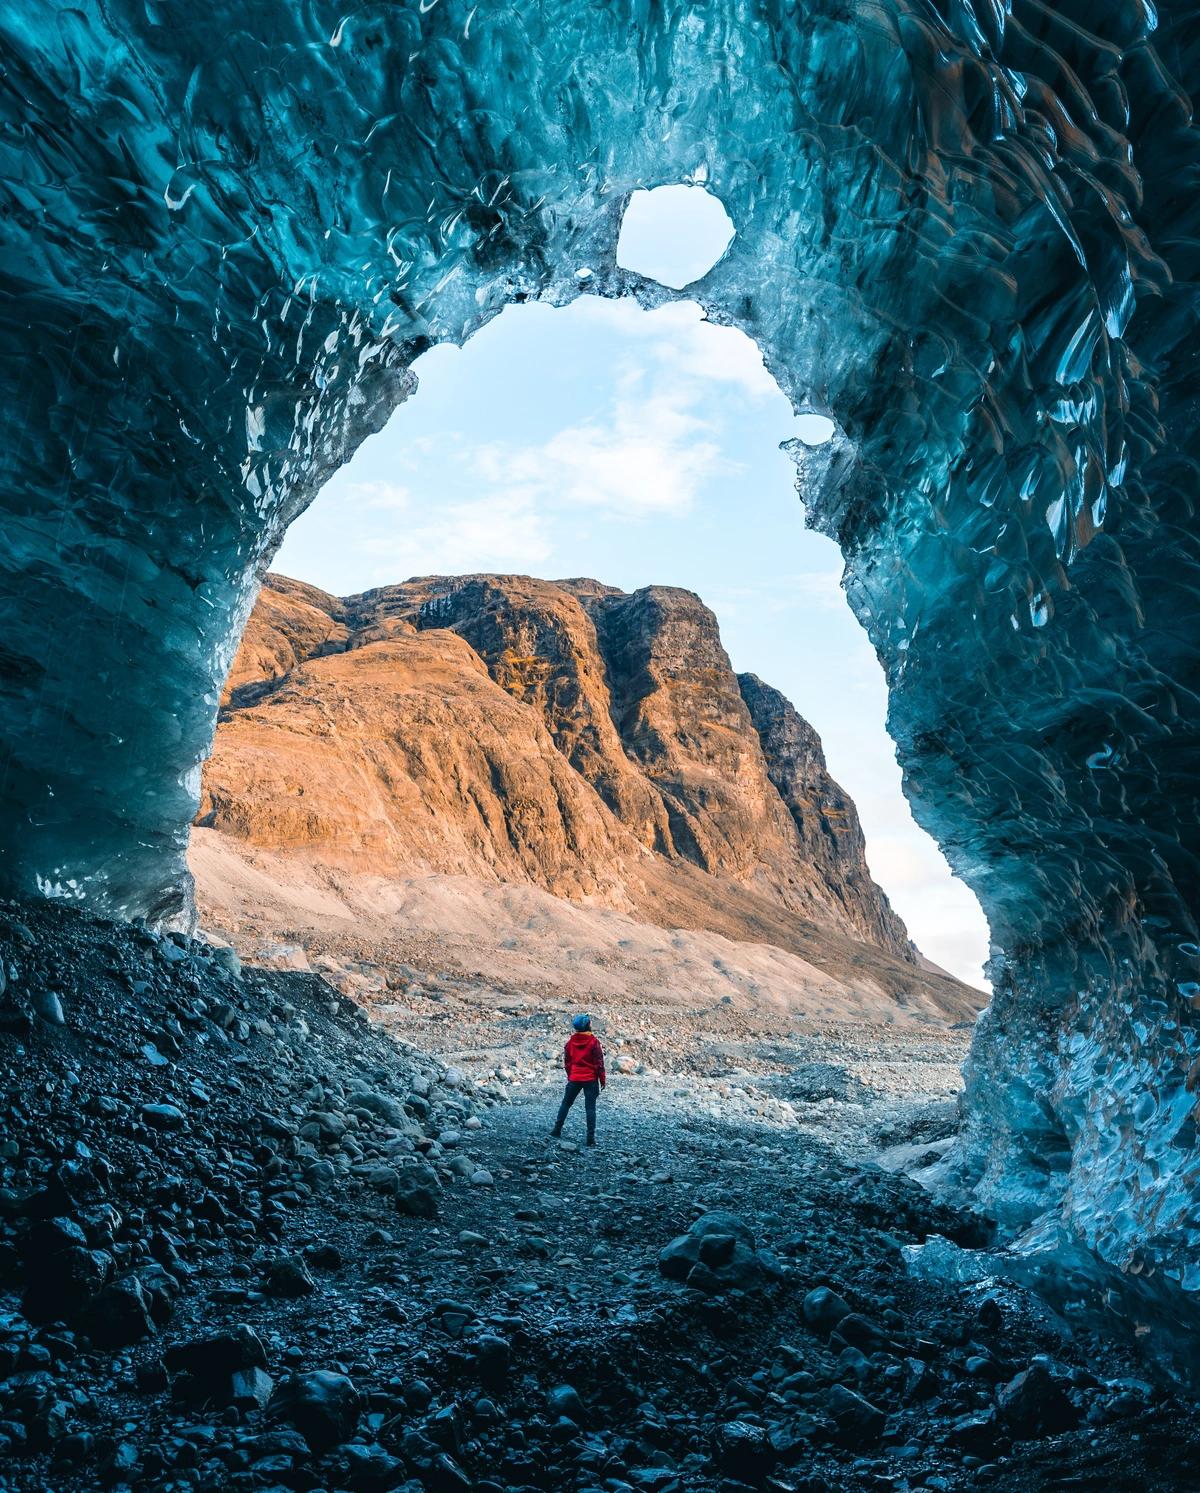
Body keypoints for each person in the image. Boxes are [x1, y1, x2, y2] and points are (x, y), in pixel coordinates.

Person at [550, 1013, 606, 1146]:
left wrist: (571, 1075)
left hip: (575, 1077)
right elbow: (599, 1063)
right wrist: (602, 1079)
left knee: (566, 1104)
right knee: (590, 1108)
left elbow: (567, 1062)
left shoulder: (570, 1043)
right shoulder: (594, 1042)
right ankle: (590, 1139)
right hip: (590, 1079)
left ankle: (556, 1130)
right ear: (587, 1025)